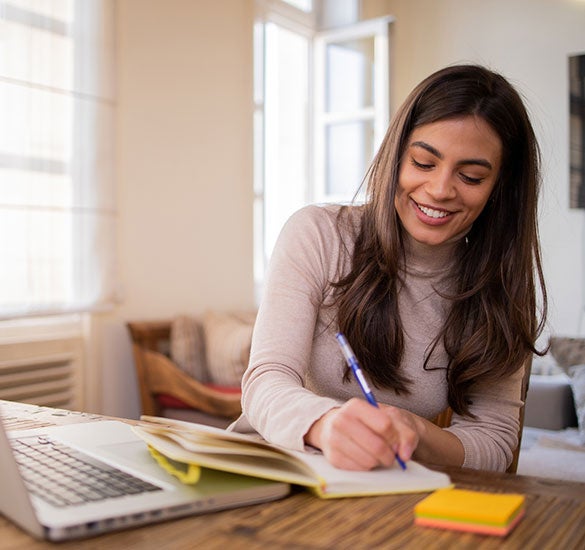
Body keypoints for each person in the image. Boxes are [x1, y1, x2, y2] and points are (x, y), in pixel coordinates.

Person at [229, 64, 547, 473]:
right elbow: (265, 382)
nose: (440, 189)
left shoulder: (499, 286)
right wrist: (325, 425)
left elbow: (495, 441)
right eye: (423, 162)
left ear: (500, 188)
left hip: (383, 491)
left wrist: (415, 433)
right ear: (395, 156)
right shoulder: (319, 234)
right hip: (273, 468)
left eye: (470, 176)